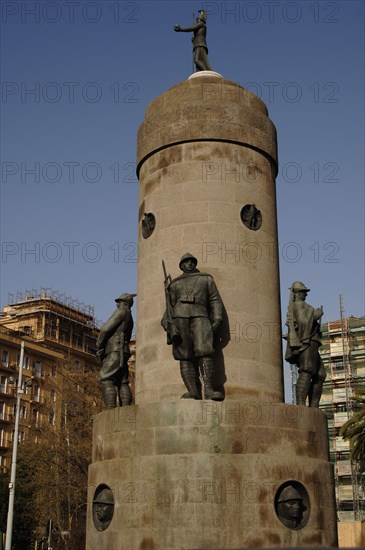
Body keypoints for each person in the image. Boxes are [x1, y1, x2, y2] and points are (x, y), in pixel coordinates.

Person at [162, 253, 223, 400]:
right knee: (184, 356)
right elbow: (169, 308)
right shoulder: (174, 284)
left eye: (192, 261)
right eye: (186, 262)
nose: (189, 264)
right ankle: (193, 391)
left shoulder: (206, 279)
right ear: (181, 265)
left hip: (200, 316)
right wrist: (167, 324)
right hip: (179, 319)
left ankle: (208, 389)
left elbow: (215, 300)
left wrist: (217, 319)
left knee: (205, 352)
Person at [284, 281, 326, 407]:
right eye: (303, 292)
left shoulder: (303, 305)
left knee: (320, 374)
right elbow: (303, 321)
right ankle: (301, 403)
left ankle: (314, 406)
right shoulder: (297, 305)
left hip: (312, 341)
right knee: (307, 369)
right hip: (306, 341)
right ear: (296, 293)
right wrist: (316, 314)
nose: (305, 295)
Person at [96, 293, 136, 408]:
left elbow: (105, 329)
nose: (117, 305)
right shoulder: (129, 316)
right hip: (123, 352)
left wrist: (99, 345)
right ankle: (126, 410)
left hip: (114, 351)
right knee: (122, 382)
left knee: (105, 377)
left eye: (120, 302)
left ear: (126, 303)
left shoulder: (121, 312)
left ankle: (110, 410)